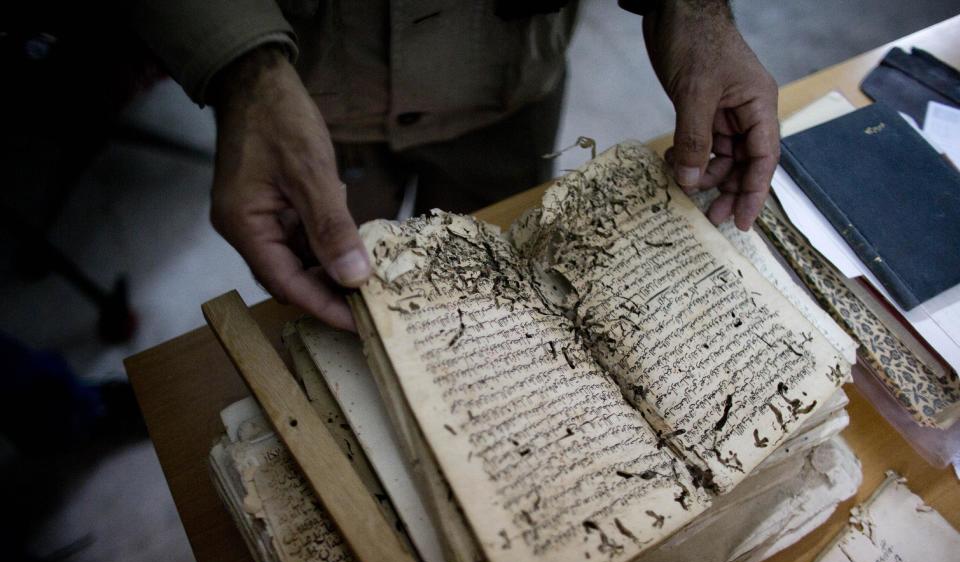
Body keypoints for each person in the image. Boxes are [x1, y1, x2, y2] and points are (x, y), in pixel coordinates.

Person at [133, 0, 779, 331]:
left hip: (510, 84)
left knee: (506, 288)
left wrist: (696, 7)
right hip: (306, 98)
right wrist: (241, 68)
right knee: (338, 307)